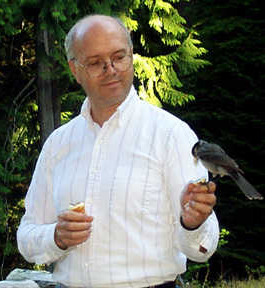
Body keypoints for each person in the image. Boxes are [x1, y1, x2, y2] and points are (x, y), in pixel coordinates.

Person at [17, 14, 219, 288]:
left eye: (119, 57)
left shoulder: (171, 135)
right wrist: (57, 237)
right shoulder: (58, 144)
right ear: (75, 70)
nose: (110, 69)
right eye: (96, 62)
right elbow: (27, 238)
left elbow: (203, 248)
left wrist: (193, 223)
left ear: (132, 56)